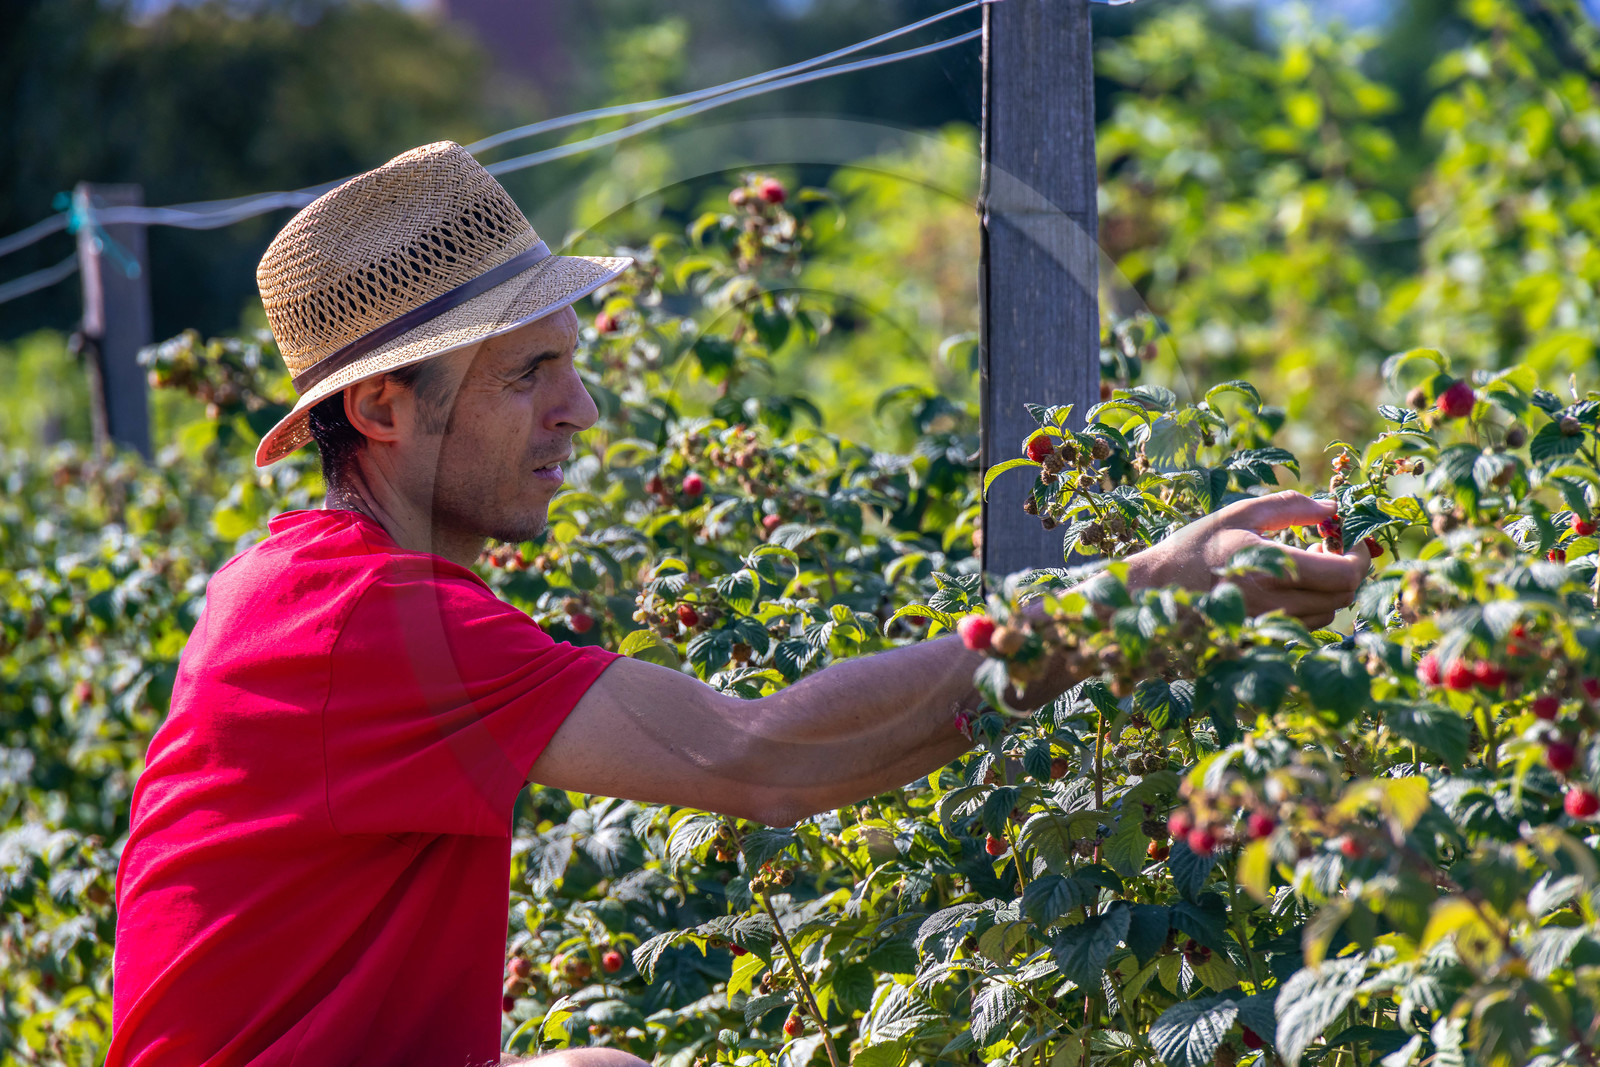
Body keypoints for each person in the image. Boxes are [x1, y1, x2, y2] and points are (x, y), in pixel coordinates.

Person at [107, 142, 1370, 1067]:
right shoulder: (357, 620)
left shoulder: (319, 588)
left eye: (573, 361)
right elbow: (762, 755)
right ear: (382, 412)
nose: (580, 411)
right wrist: (1146, 590)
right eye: (529, 373)